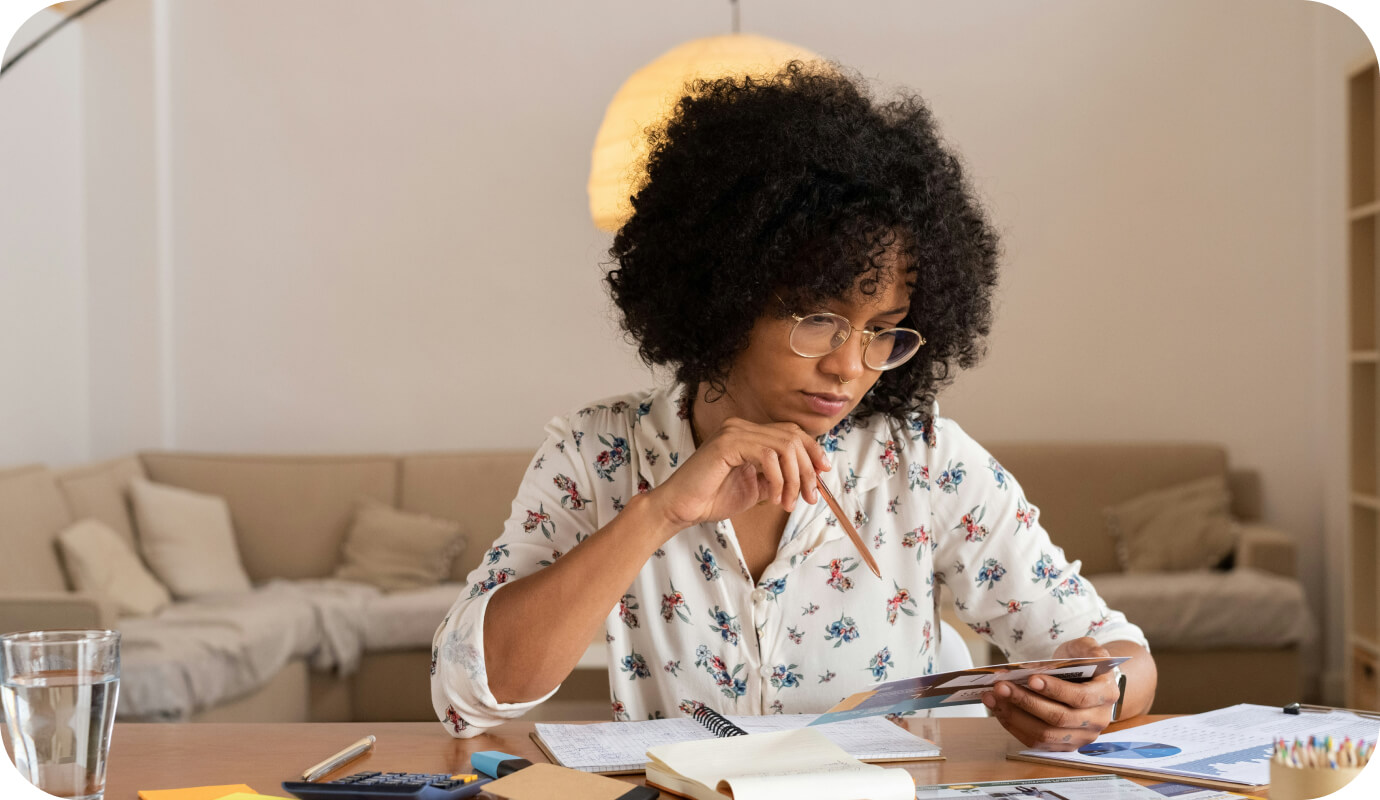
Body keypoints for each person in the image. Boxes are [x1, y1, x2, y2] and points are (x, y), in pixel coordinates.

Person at [432, 62, 1157, 751]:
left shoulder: (922, 461)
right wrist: (658, 514)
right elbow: (467, 698)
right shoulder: (598, 456)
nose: (848, 366)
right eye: (817, 317)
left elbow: (1121, 655)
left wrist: (1101, 693)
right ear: (727, 296)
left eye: (882, 330)